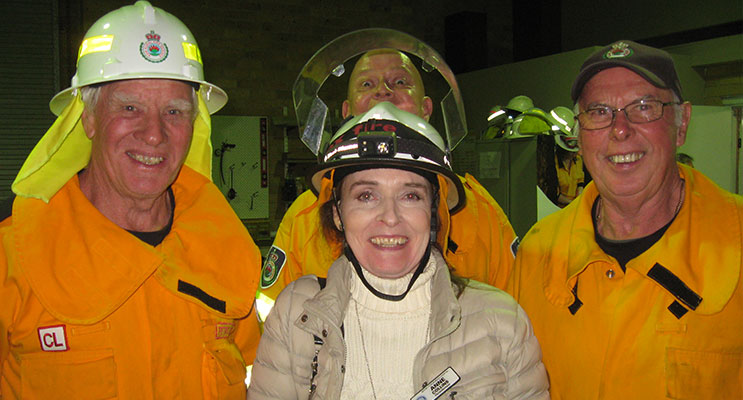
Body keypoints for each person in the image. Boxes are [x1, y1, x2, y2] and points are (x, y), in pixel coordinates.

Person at [0, 2, 262, 397]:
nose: (154, 134)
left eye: (174, 111)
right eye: (129, 107)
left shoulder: (227, 248)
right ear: (88, 118)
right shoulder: (13, 253)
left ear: (194, 125)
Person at [248, 102, 548, 399]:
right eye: (366, 195)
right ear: (338, 214)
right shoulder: (296, 315)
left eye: (410, 196)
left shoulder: (501, 323)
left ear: (433, 212)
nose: (390, 217)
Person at [508, 39, 743, 399]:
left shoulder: (736, 242)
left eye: (644, 107)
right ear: (579, 135)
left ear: (682, 123)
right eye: (599, 111)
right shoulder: (537, 252)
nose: (620, 129)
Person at [257, 31, 518, 320]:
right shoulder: (305, 218)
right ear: (347, 110)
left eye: (400, 82)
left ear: (426, 108)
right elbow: (272, 319)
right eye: (367, 84)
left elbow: (513, 314)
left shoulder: (479, 213)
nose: (383, 92)